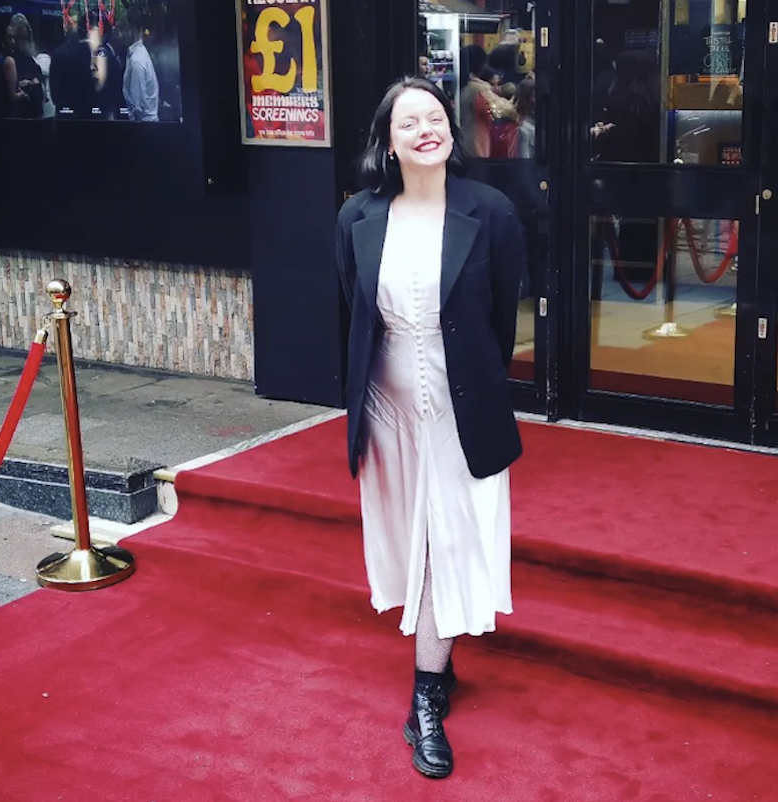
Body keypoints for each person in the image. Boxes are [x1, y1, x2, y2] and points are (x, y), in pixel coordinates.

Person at [334, 76, 526, 779]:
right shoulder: (358, 216)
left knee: (449, 541)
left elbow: (501, 321)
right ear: (388, 140)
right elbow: (353, 317)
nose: (427, 129)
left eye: (437, 118)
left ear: (452, 131)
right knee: (410, 542)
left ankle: (423, 698)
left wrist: (472, 387)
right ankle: (435, 667)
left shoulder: (492, 212)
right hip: (387, 413)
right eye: (409, 121)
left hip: (458, 409)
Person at [122, 8, 159, 121]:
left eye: (122, 28)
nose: (120, 33)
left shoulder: (137, 61)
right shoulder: (139, 54)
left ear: (131, 30)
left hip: (143, 128)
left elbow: (137, 108)